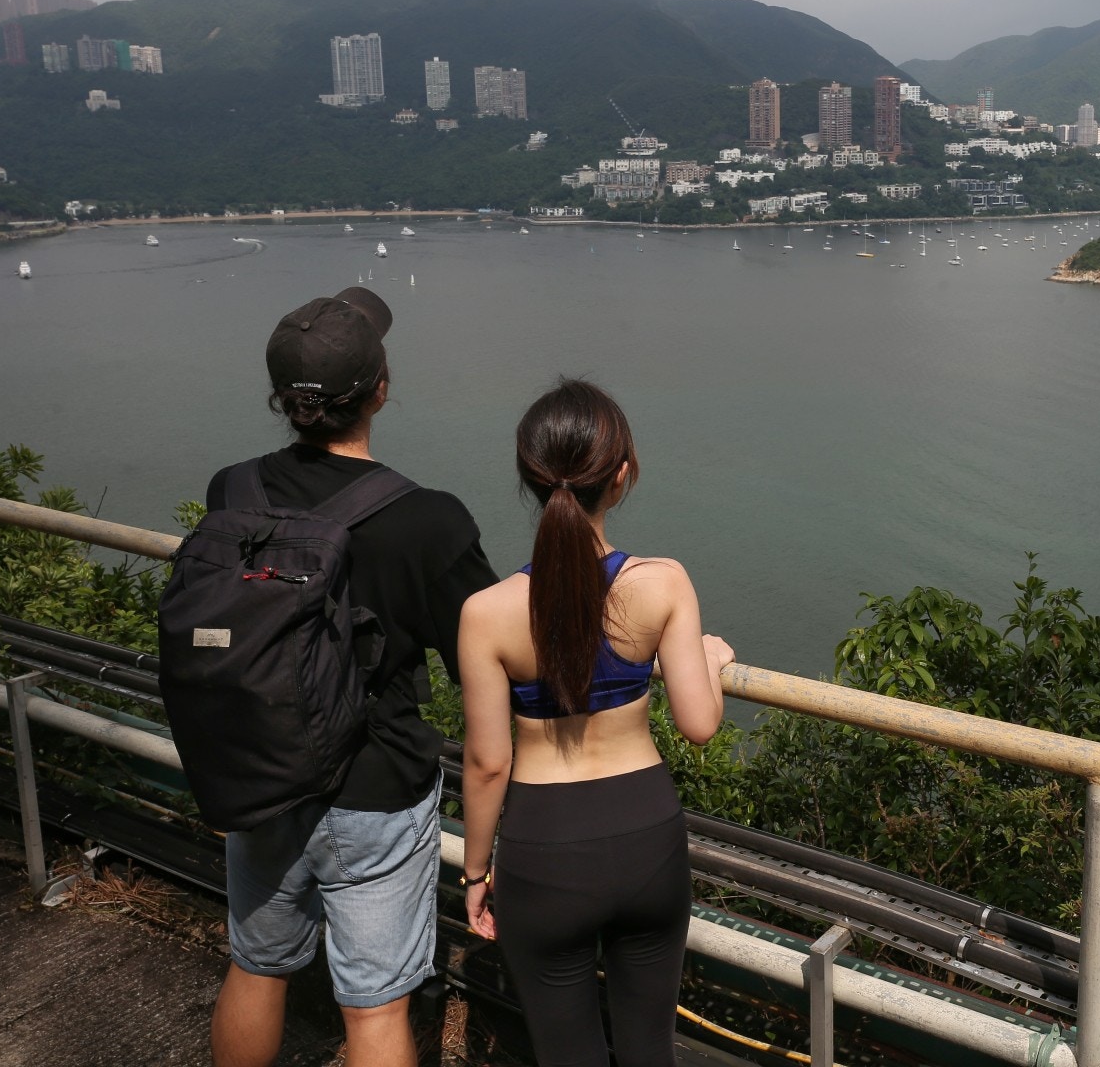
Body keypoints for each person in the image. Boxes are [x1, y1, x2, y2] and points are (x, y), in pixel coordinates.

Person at [207, 286, 498, 1067]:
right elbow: (496, 646)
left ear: (282, 400)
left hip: (260, 771)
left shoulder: (232, 492)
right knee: (375, 1009)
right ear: (381, 389)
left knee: (256, 967)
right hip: (377, 785)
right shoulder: (428, 519)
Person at [457, 378, 734, 1067]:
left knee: (566, 1053)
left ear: (530, 478)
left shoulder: (486, 613)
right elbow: (699, 724)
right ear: (623, 475)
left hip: (544, 850)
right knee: (648, 1050)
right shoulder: (663, 583)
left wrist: (474, 874)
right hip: (648, 841)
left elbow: (488, 764)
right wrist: (706, 662)